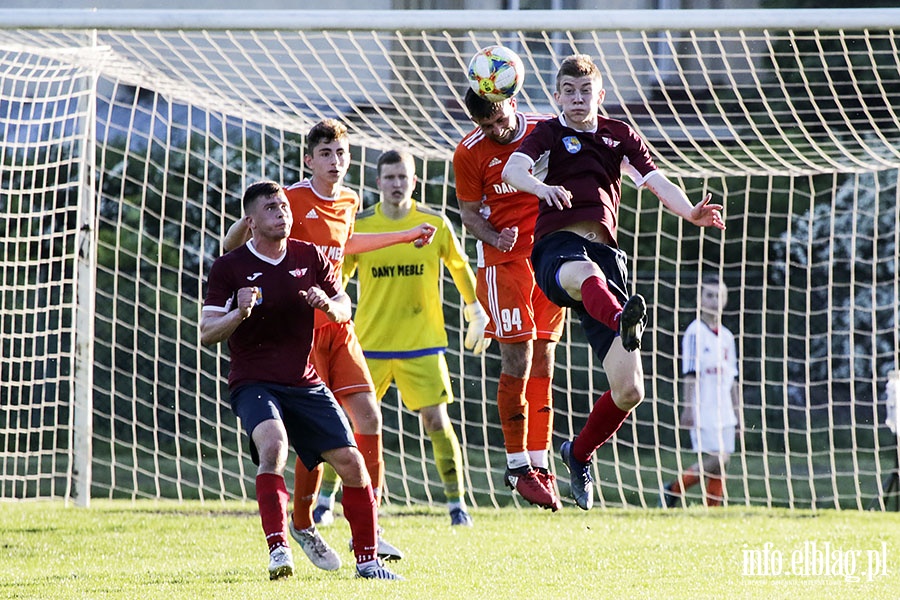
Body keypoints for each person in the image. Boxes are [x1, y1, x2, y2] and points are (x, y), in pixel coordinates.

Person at [501, 54, 725, 511]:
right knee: (585, 274)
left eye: (586, 91)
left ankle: (577, 454)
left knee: (630, 391)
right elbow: (512, 170)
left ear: (600, 95)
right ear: (557, 96)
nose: (578, 98)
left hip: (607, 259)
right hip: (557, 250)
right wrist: (542, 189)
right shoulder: (548, 133)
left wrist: (690, 212)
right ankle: (624, 316)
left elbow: (657, 180)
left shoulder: (619, 134)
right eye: (569, 90)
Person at [223, 119, 435, 567]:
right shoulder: (291, 199)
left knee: (369, 417)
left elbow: (347, 243)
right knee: (313, 441)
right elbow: (240, 239)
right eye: (325, 154)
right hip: (301, 331)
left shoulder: (350, 199)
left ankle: (371, 529)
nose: (335, 162)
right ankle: (302, 522)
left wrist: (406, 234)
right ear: (308, 159)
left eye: (341, 154)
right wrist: (234, 258)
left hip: (337, 323)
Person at [200, 180, 402, 581]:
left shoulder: (308, 255)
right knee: (274, 444)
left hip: (303, 380)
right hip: (253, 380)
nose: (282, 214)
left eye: (285, 207)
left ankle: (367, 561)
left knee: (352, 462)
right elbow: (206, 332)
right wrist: (238, 314)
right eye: (272, 208)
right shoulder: (230, 267)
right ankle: (279, 550)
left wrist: (329, 304)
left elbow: (344, 305)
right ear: (251, 221)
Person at [313, 149, 488, 527]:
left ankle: (457, 505)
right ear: (378, 183)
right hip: (369, 345)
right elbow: (336, 279)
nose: (396, 184)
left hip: (421, 344)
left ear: (415, 181)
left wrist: (475, 310)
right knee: (346, 425)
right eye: (389, 177)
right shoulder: (359, 226)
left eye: (402, 177)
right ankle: (325, 501)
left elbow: (459, 268)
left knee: (437, 422)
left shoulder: (434, 224)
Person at [453, 88, 568, 512]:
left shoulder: (545, 131)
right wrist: (493, 235)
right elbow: (468, 214)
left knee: (545, 362)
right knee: (517, 360)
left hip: (549, 260)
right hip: (503, 266)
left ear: (512, 103)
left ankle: (541, 463)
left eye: (500, 118)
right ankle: (518, 465)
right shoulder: (468, 152)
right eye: (487, 125)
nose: (496, 129)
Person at [661, 275, 740, 508]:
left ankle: (710, 510)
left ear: (725, 300)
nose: (714, 301)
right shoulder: (695, 332)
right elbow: (690, 373)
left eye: (719, 296)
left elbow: (733, 379)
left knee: (722, 463)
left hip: (725, 409)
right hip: (703, 407)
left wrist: (739, 416)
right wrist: (688, 408)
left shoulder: (727, 336)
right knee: (717, 458)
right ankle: (674, 488)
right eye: (709, 295)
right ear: (700, 299)